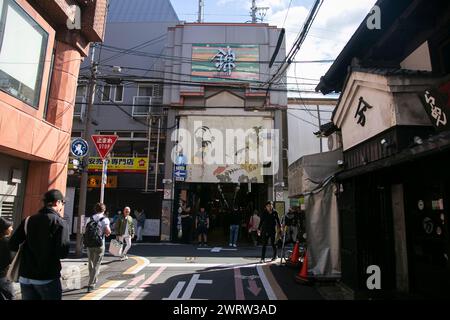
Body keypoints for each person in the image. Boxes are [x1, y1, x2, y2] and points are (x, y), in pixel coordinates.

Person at [9, 189, 70, 300]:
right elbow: (63, 253)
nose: (62, 205)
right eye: (63, 202)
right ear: (57, 202)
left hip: (25, 276)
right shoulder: (60, 223)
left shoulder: (28, 220)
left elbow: (12, 244)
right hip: (47, 276)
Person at [84, 203, 111, 292]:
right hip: (99, 244)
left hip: (89, 244)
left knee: (91, 263)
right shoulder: (105, 219)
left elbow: (85, 230)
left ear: (95, 209)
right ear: (104, 210)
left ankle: (93, 279)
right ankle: (91, 285)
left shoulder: (90, 218)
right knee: (96, 264)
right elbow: (107, 232)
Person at [0, 218, 14, 300]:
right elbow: (11, 260)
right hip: (3, 276)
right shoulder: (7, 242)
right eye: (10, 227)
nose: (12, 229)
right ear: (4, 229)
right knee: (9, 297)